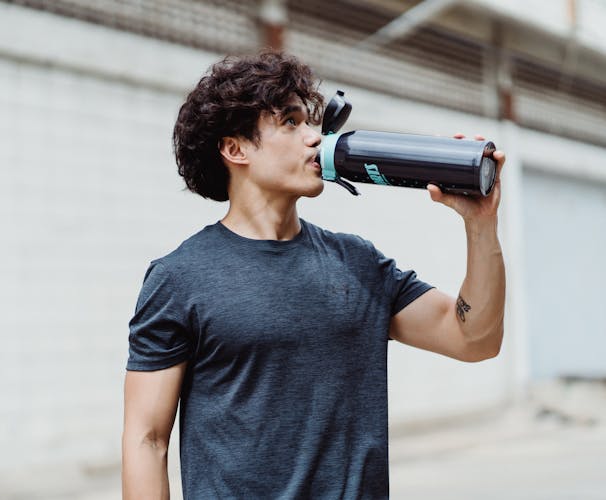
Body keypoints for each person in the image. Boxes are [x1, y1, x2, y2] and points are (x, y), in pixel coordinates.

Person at [122, 51, 505, 499]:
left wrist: (481, 226)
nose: (314, 138)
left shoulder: (358, 264)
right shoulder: (180, 278)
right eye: (290, 122)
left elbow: (474, 339)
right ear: (235, 148)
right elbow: (147, 439)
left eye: (312, 123)